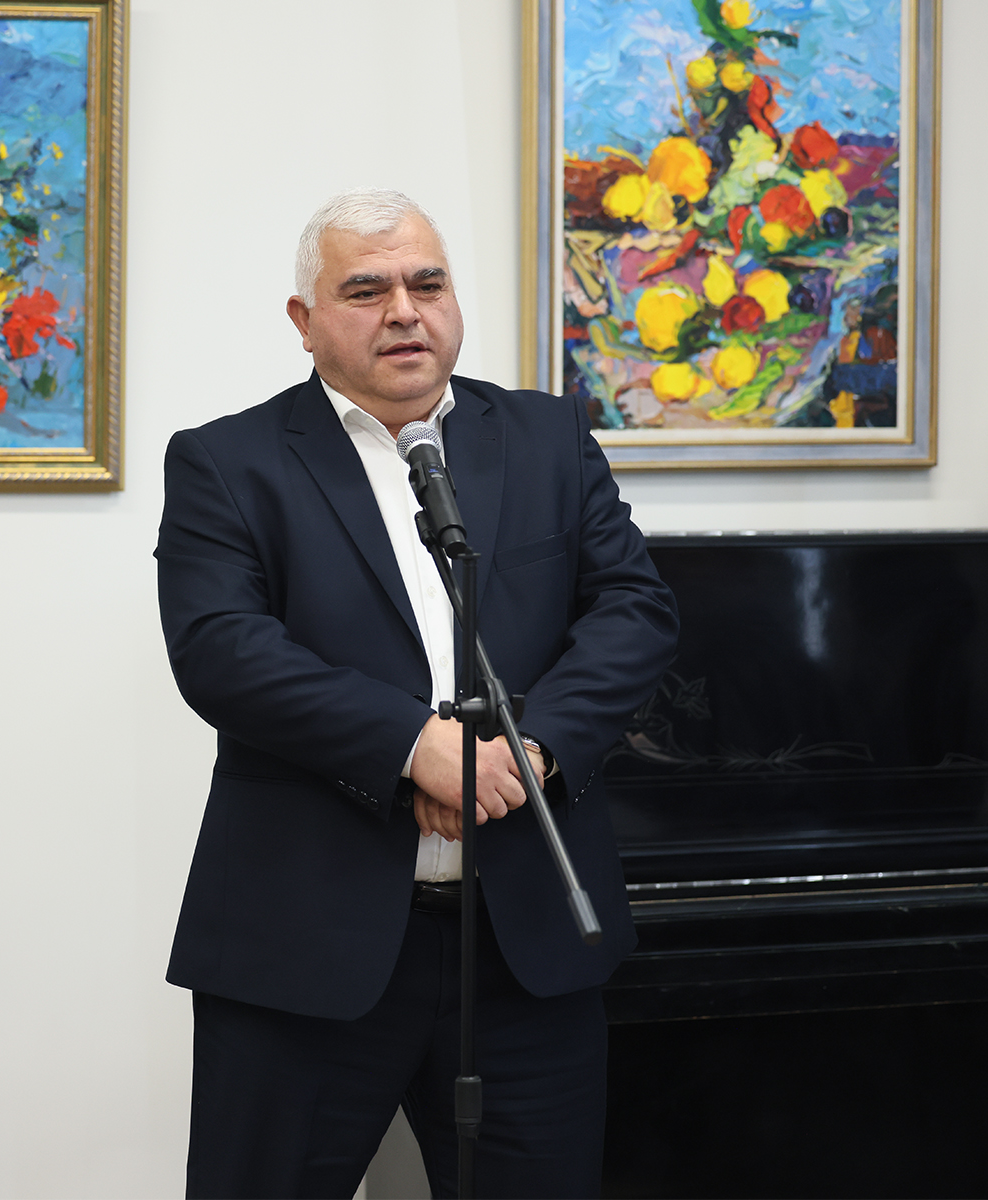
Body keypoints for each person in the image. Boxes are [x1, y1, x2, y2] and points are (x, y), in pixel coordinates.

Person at [155, 188, 678, 1199]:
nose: (404, 310)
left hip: (524, 941)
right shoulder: (227, 461)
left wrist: (526, 756)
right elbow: (221, 649)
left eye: (426, 283)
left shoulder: (547, 436)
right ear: (305, 320)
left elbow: (634, 611)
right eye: (366, 290)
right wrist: (414, 748)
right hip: (306, 945)